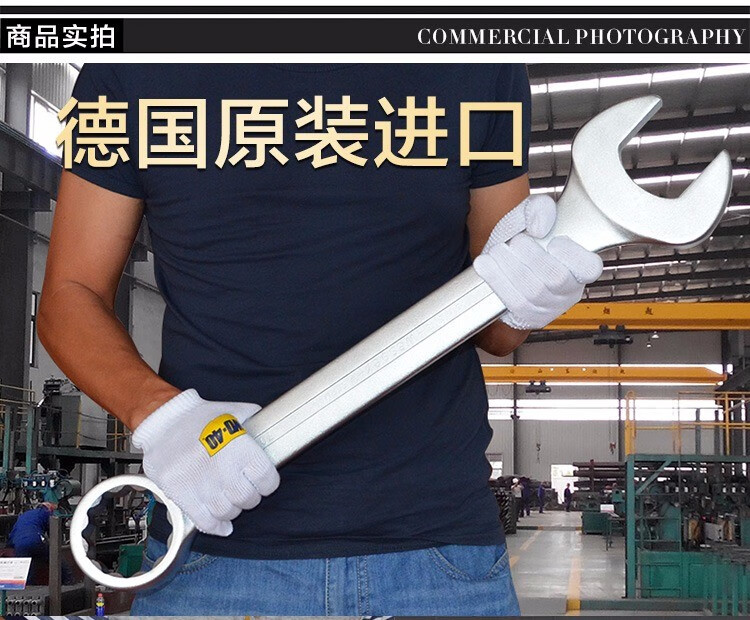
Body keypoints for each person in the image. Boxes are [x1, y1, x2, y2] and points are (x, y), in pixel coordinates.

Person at [39, 64, 602, 615]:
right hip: (212, 551)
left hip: (439, 555)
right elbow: (70, 293)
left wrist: (530, 290)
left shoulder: (474, 62)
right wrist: (161, 416)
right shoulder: (133, 67)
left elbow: (500, 330)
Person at [6, 503, 74, 585]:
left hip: (19, 544)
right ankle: (68, 580)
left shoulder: (23, 516)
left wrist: (9, 547)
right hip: (35, 540)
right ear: (48, 509)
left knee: (25, 569)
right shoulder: (45, 512)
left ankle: (28, 587)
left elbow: (12, 535)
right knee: (54, 557)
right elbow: (53, 529)